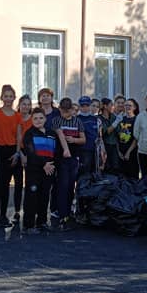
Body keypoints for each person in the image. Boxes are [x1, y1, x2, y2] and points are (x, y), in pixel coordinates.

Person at [0, 85, 20, 230]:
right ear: (2, 98)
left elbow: (18, 136)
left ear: (14, 98)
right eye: (6, 96)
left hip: (11, 151)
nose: (8, 99)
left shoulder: (17, 116)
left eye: (10, 96)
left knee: (6, 185)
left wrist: (17, 153)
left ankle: (3, 215)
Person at [50, 98, 84, 231]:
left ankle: (68, 210)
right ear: (59, 109)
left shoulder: (77, 121)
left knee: (71, 185)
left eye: (67, 111)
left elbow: (83, 139)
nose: (64, 114)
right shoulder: (56, 120)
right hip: (61, 157)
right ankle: (61, 212)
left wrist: (74, 140)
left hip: (74, 157)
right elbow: (59, 135)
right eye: (62, 111)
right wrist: (65, 149)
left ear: (72, 109)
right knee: (62, 184)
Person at [21, 109, 56, 233]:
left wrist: (51, 165)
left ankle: (42, 222)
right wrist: (44, 164)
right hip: (34, 171)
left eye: (41, 118)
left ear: (45, 119)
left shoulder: (52, 133)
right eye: (35, 118)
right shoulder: (29, 134)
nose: (38, 120)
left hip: (48, 170)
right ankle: (28, 225)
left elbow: (56, 151)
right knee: (32, 197)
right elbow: (31, 152)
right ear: (31, 120)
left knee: (44, 196)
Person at [76, 96, 102, 175]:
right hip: (82, 151)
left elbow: (100, 136)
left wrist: (102, 150)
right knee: (84, 173)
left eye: (87, 105)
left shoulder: (96, 119)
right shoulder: (76, 119)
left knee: (94, 173)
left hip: (95, 151)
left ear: (90, 106)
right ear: (79, 106)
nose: (85, 108)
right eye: (82, 105)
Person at [117, 98, 139, 179]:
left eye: (130, 105)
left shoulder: (137, 119)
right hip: (121, 152)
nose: (127, 107)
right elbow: (117, 136)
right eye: (126, 105)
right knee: (122, 177)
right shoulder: (121, 119)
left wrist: (128, 152)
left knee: (132, 177)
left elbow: (136, 138)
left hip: (132, 152)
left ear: (134, 107)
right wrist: (118, 152)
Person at [100, 98, 120, 173]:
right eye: (111, 105)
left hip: (114, 145)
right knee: (105, 166)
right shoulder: (99, 118)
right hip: (104, 146)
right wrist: (116, 123)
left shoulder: (113, 117)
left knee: (115, 166)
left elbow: (118, 131)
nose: (113, 107)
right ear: (105, 106)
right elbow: (106, 131)